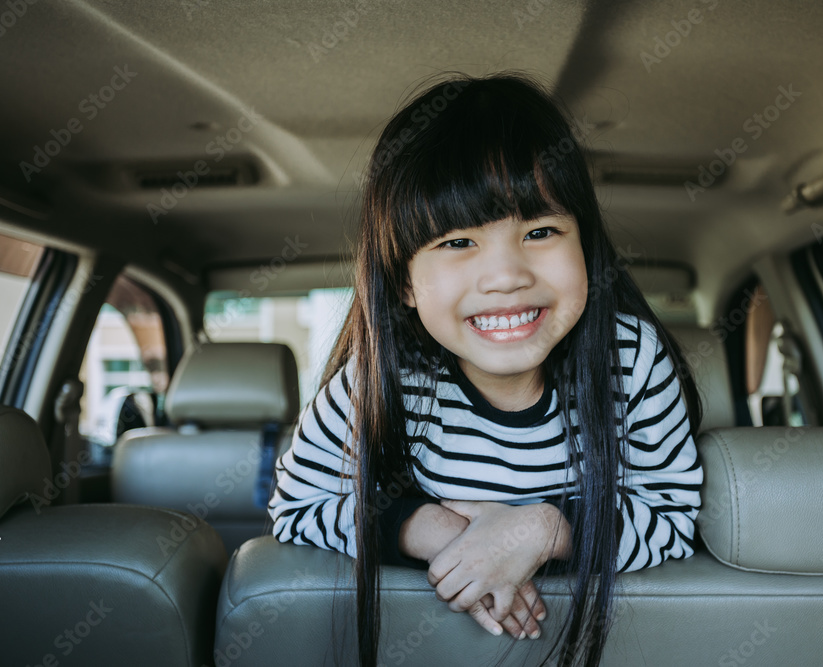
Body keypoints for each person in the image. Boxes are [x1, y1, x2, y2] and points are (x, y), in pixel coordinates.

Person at [268, 72, 703, 667]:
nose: (506, 276)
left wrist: (539, 531)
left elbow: (673, 516)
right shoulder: (380, 381)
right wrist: (437, 531)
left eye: (542, 231)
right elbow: (295, 508)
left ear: (587, 247)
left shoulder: (629, 361)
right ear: (404, 281)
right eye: (457, 242)